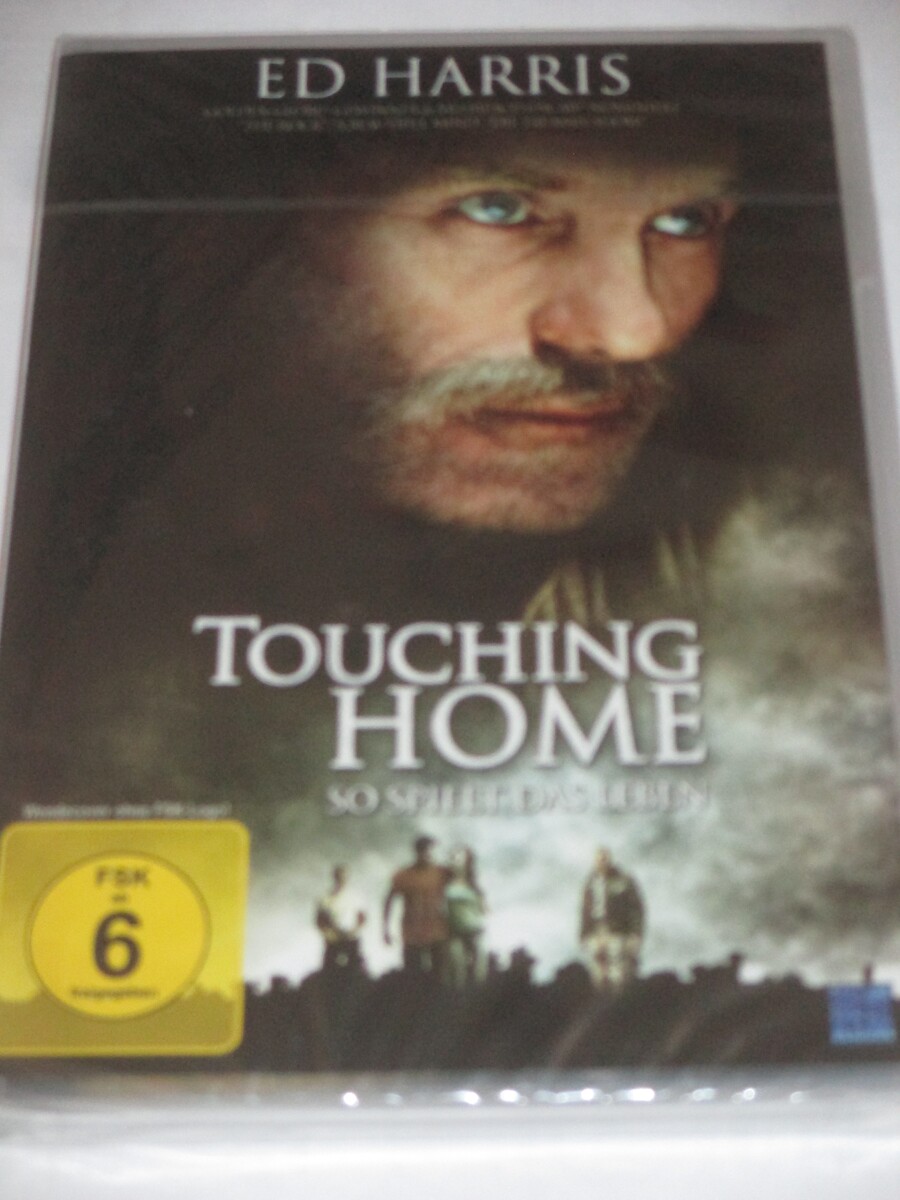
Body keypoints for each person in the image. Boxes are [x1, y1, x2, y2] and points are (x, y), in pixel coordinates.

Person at [383, 835, 452, 976]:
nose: (428, 854)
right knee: (413, 975)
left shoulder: (443, 873)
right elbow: (388, 901)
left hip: (438, 931)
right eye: (424, 850)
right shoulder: (404, 875)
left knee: (440, 974)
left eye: (430, 850)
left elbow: (463, 888)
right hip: (412, 934)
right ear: (417, 852)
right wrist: (386, 929)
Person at [580, 847, 645, 988]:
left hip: (618, 931)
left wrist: (636, 934)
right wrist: (583, 934)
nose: (602, 862)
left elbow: (636, 909)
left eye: (605, 859)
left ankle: (619, 998)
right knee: (597, 973)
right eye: (599, 859)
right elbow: (584, 910)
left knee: (618, 973)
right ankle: (601, 997)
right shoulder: (591, 881)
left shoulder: (623, 880)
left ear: (610, 860)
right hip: (596, 932)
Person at [444, 846, 488, 988]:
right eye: (454, 860)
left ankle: (476, 994)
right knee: (456, 968)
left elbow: (483, 909)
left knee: (477, 970)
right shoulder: (445, 883)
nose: (457, 864)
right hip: (453, 931)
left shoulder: (473, 884)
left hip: (474, 929)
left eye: (461, 861)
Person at [315, 864, 366, 972]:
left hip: (351, 937)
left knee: (356, 969)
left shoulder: (356, 897)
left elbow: (362, 918)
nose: (341, 880)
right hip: (333, 938)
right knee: (329, 970)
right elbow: (320, 920)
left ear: (347, 878)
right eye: (339, 877)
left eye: (344, 877)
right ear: (334, 878)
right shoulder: (325, 898)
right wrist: (328, 933)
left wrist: (354, 930)